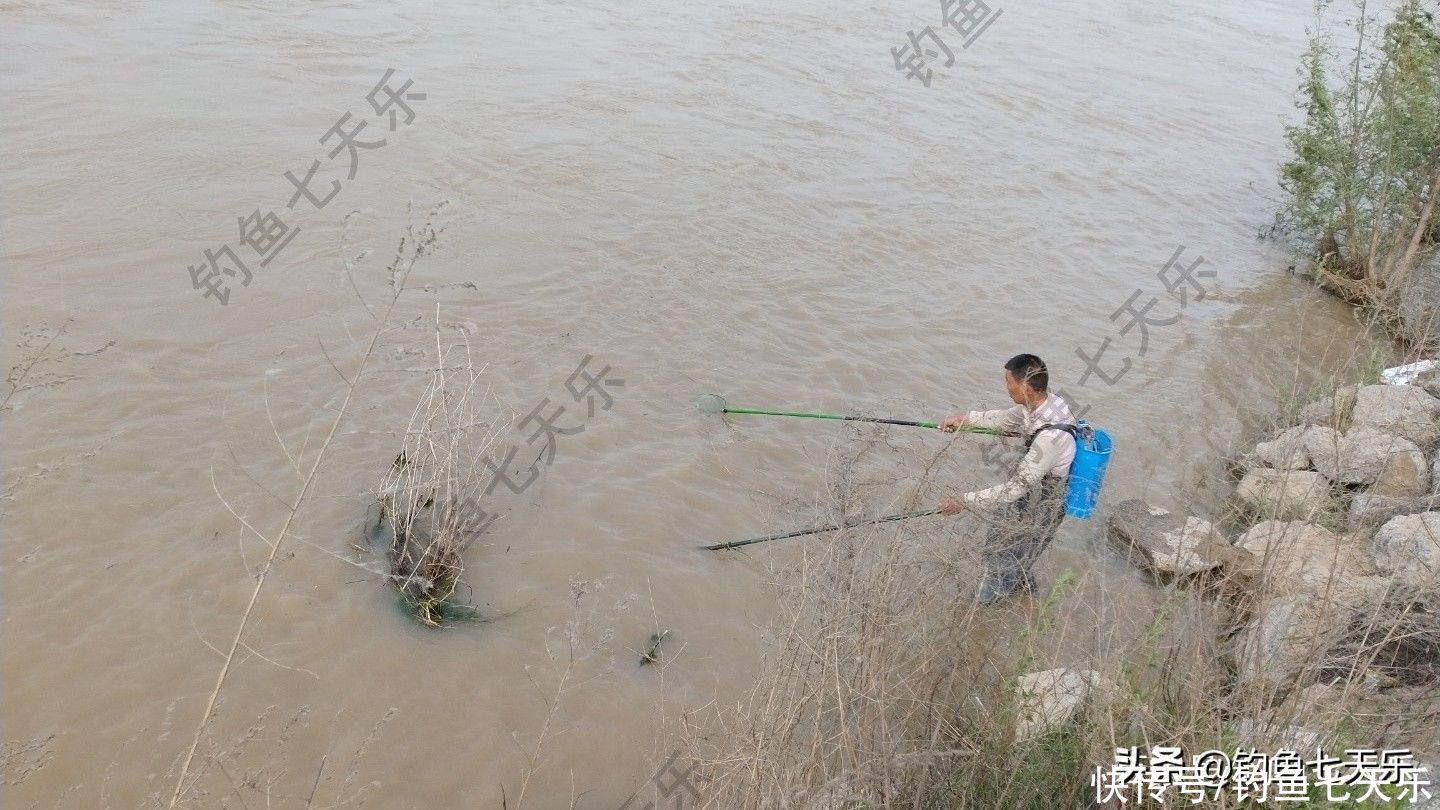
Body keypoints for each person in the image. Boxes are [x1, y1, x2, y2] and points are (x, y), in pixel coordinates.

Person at [937, 354, 1077, 605]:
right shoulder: (1046, 403)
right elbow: (1004, 419)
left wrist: (964, 501)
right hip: (1033, 488)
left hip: (1045, 502)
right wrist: (964, 420)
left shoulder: (1050, 438)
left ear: (1025, 387)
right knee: (1004, 547)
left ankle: (983, 608)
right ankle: (1023, 598)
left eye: (1008, 382)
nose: (1006, 387)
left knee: (1008, 554)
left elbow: (1014, 489)